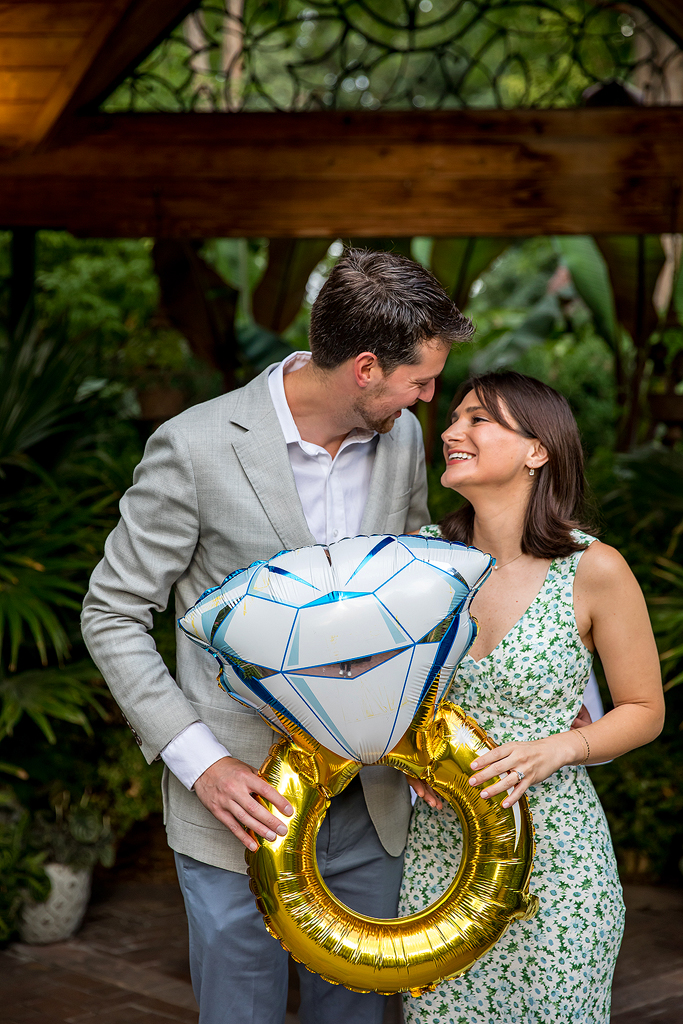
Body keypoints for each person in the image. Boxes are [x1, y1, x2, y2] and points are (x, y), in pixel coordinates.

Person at [81, 248, 473, 1024]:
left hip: (372, 801)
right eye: (420, 381)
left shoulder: (397, 441)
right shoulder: (193, 446)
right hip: (239, 804)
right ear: (364, 368)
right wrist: (202, 764)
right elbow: (111, 610)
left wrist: (427, 726)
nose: (430, 399)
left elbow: (412, 593)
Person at [399, 371, 664, 1024]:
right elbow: (374, 697)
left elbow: (644, 709)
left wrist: (559, 748)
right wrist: (408, 753)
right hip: (440, 860)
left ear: (536, 449)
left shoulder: (593, 568)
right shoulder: (417, 561)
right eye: (453, 418)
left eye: (477, 419)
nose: (452, 432)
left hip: (558, 868)